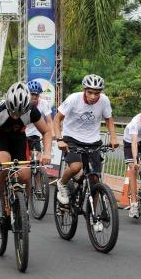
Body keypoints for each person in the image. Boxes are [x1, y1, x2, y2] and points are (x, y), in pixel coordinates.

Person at [0, 82, 52, 223]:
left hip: (18, 138)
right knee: (3, 166)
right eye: (13, 111)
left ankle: (22, 207)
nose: (15, 116)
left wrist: (47, 152)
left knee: (25, 175)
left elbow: (46, 132)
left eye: (19, 112)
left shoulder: (32, 110)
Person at [54, 74, 119, 208]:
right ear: (84, 89)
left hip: (93, 140)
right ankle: (62, 182)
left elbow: (109, 119)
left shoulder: (104, 101)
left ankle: (93, 216)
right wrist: (60, 139)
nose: (93, 97)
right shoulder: (74, 99)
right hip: (71, 138)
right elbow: (57, 119)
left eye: (97, 93)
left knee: (95, 179)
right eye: (90, 92)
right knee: (76, 167)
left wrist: (113, 137)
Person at [25, 80, 55, 160]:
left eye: (37, 94)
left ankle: (36, 172)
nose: (34, 97)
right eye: (32, 94)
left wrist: (51, 133)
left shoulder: (44, 103)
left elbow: (49, 121)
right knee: (24, 160)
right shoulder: (23, 103)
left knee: (37, 160)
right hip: (23, 133)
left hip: (36, 134)